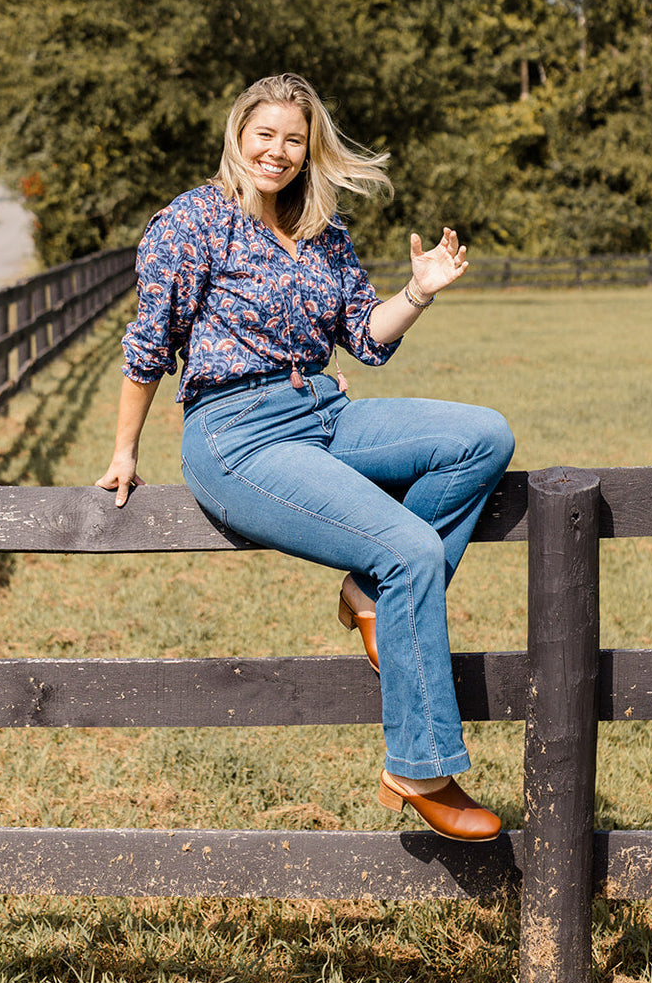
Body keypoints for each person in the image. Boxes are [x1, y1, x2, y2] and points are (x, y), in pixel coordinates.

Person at [96, 73, 514, 842]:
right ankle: (419, 767)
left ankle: (369, 592)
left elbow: (367, 336)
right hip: (236, 434)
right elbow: (149, 344)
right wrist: (124, 450)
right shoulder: (193, 222)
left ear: (309, 146)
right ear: (238, 135)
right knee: (412, 549)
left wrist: (419, 291)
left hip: (322, 409)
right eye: (266, 135)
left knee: (481, 436)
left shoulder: (323, 229)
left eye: (294, 139)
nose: (278, 152)